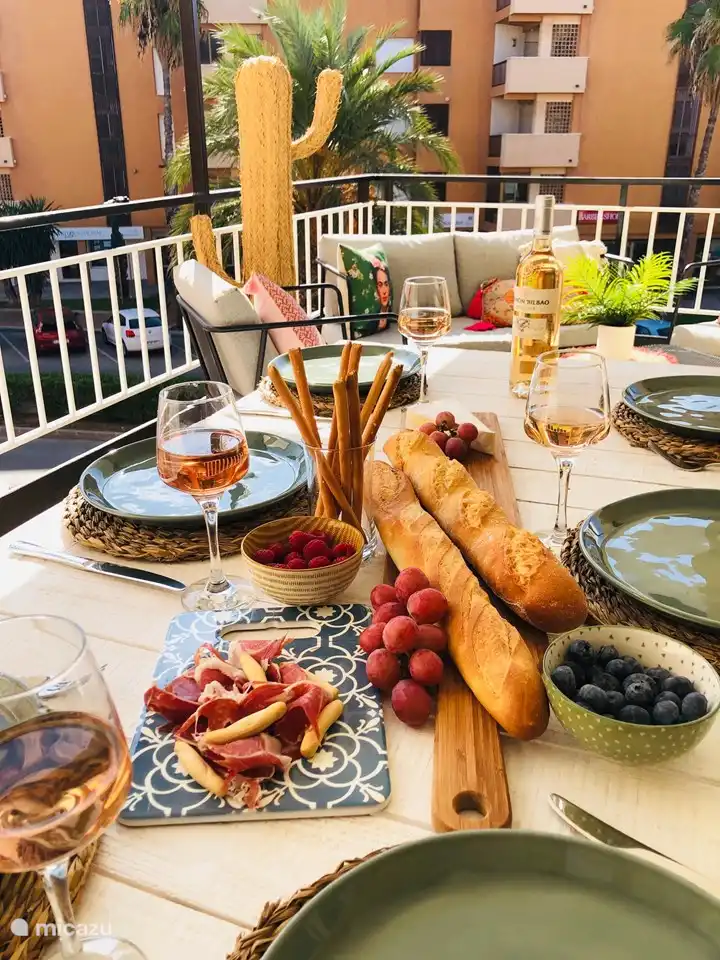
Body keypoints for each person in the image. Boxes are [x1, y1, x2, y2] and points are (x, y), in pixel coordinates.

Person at [372, 260, 391, 331]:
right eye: (380, 285)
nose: (384, 292)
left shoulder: (391, 315)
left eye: (386, 284)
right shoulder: (371, 321)